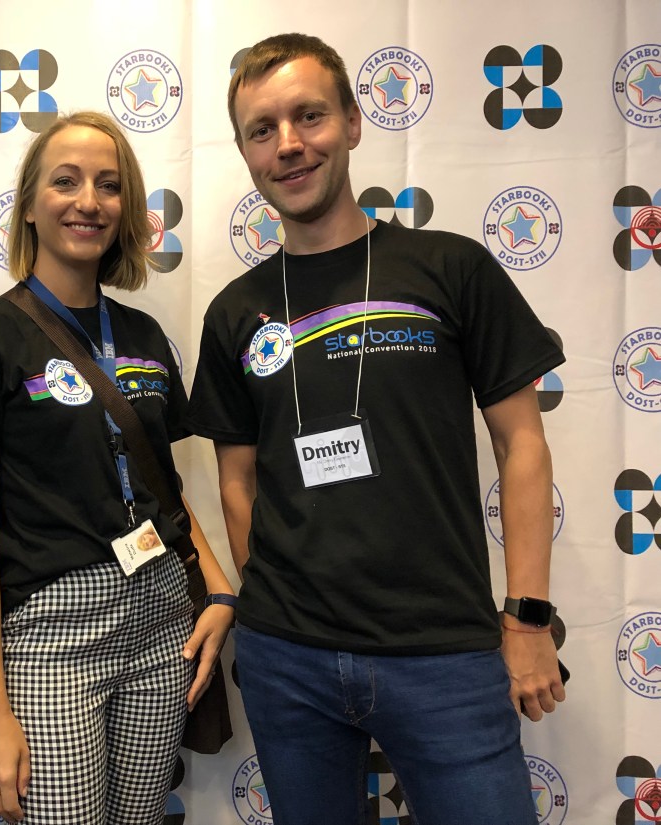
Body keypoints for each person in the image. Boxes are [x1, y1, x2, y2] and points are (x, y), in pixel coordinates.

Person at [187, 33, 567, 825]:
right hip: (288, 660)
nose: (289, 144)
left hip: (445, 654)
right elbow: (237, 478)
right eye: (262, 129)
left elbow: (522, 444)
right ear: (246, 153)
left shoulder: (451, 268)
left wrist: (528, 615)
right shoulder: (234, 313)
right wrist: (273, 608)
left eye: (309, 116)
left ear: (354, 123)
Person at [0, 111, 235, 825]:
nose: (88, 201)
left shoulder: (144, 334)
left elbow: (165, 488)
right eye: (65, 182)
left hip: (161, 615)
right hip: (53, 632)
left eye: (108, 185)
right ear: (29, 205)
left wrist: (219, 589)